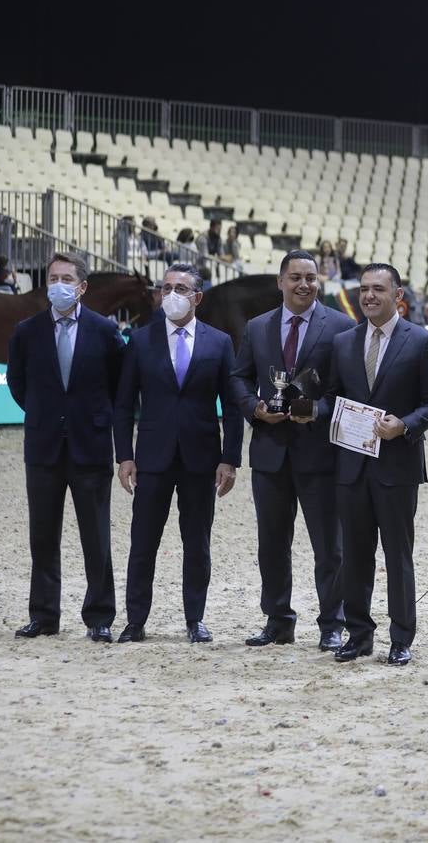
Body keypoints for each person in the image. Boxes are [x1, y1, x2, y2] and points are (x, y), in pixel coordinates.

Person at [229, 250, 356, 651]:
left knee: (329, 547)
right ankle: (278, 619)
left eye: (311, 278)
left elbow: (349, 389)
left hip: (319, 453)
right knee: (271, 543)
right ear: (280, 282)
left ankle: (332, 624)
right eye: (296, 277)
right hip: (269, 453)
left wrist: (317, 409)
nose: (305, 284)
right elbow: (239, 378)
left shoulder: (340, 326)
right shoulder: (257, 327)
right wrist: (254, 408)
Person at [113, 263, 243, 644]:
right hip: (151, 458)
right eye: (166, 287)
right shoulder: (139, 340)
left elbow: (232, 408)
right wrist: (124, 456)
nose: (172, 295)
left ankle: (195, 618)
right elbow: (123, 405)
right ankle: (135, 620)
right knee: (143, 542)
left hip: (202, 459)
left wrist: (229, 459)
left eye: (181, 289)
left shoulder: (219, 342)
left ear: (197, 297)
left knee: (197, 543)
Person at [326, 263, 428, 666]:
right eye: (363, 289)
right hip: (351, 466)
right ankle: (359, 634)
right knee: (354, 556)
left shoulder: (421, 341)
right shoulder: (344, 342)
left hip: (397, 468)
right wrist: (312, 409)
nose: (369, 296)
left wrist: (405, 426)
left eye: (378, 288)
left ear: (398, 295)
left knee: (398, 555)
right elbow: (333, 397)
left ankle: (401, 637)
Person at [6, 252, 126, 642]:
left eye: (67, 278)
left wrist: (88, 418)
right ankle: (43, 615)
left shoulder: (106, 332)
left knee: (96, 537)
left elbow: (118, 388)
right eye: (53, 277)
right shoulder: (26, 331)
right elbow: (17, 384)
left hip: (90, 447)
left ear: (82, 287)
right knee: (42, 537)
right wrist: (47, 415)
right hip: (43, 449)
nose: (59, 284)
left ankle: (100, 616)